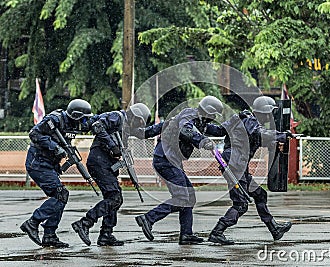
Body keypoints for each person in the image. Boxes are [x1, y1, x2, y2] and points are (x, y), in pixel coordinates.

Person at [135, 96, 224, 245]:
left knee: (189, 196)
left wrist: (236, 124)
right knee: (182, 197)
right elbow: (185, 130)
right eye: (213, 115)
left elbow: (219, 130)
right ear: (208, 112)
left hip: (173, 161)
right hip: (165, 159)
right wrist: (202, 141)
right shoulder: (188, 115)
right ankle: (148, 218)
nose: (214, 118)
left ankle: (186, 234)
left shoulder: (201, 123)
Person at [71, 103, 163, 246]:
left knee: (114, 198)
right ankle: (85, 223)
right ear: (135, 115)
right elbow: (97, 126)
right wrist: (112, 145)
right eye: (139, 121)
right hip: (99, 161)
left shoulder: (128, 127)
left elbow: (146, 133)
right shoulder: (117, 117)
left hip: (107, 163)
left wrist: (166, 125)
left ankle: (106, 234)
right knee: (115, 198)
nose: (138, 125)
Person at [206, 96, 293, 245]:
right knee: (241, 204)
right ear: (264, 112)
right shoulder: (250, 121)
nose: (270, 116)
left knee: (260, 194)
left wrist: (278, 140)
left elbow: (260, 139)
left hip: (239, 166)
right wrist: (281, 135)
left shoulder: (249, 122)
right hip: (234, 165)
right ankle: (217, 232)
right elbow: (260, 134)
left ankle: (274, 229)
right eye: (269, 113)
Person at [21, 99, 93, 248]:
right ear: (76, 115)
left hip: (49, 164)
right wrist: (55, 147)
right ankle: (33, 222)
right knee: (60, 194)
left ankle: (49, 235)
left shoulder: (73, 124)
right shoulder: (55, 119)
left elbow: (92, 122)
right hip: (38, 163)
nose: (84, 122)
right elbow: (34, 134)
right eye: (83, 118)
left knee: (61, 196)